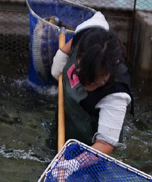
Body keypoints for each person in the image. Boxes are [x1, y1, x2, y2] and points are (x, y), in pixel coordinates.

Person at [51, 12, 132, 154]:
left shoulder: (116, 94)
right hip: (66, 122)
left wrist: (72, 165)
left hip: (90, 149)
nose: (89, 84)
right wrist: (60, 59)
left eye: (96, 78)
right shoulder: (88, 33)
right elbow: (71, 44)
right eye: (82, 73)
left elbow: (105, 145)